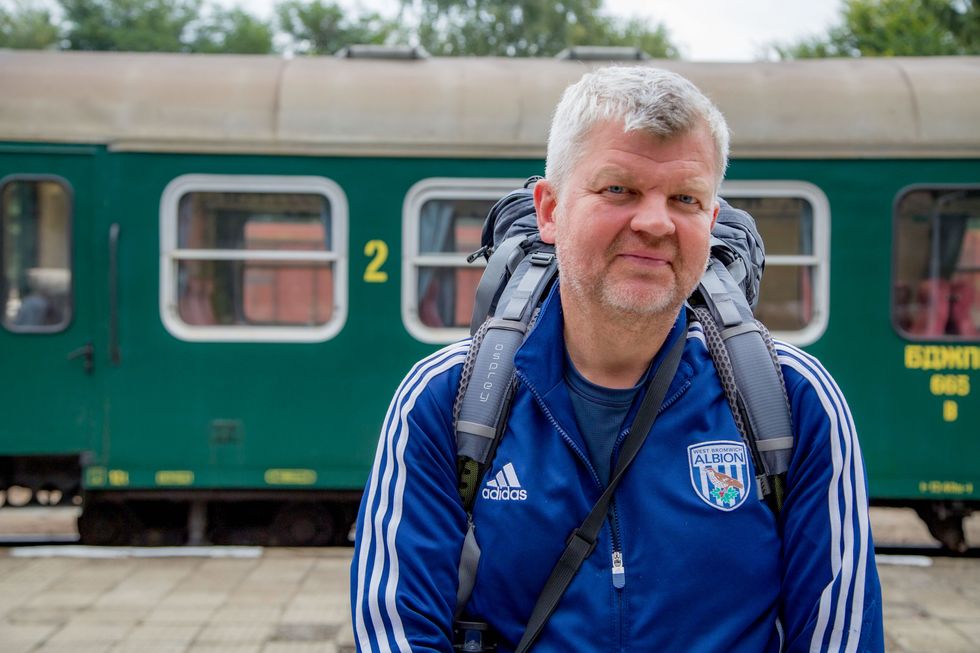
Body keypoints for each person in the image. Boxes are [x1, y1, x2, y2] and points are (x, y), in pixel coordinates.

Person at [351, 66, 883, 652]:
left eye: (685, 198)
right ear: (550, 210)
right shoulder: (445, 399)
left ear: (710, 221)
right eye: (618, 189)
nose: (655, 222)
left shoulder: (793, 401)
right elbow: (399, 635)